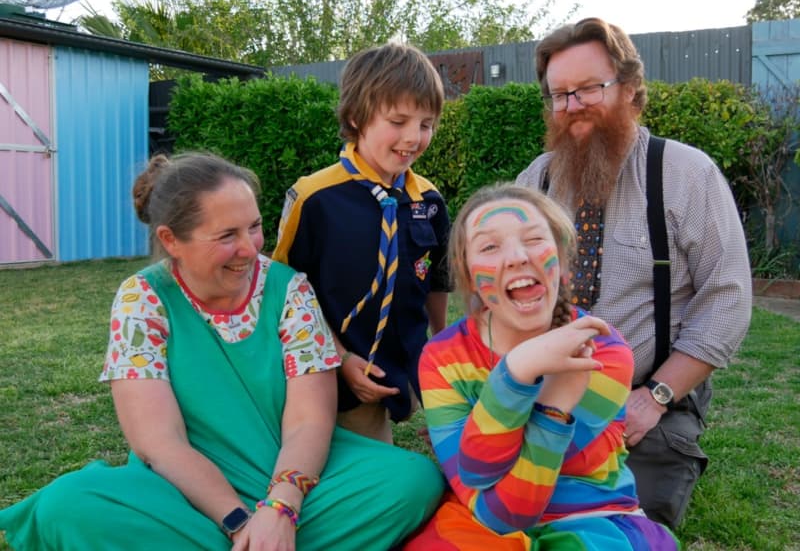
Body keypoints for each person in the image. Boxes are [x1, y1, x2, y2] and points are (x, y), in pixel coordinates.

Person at [0, 152, 444, 550]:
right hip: (185, 494)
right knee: (68, 505)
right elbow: (159, 444)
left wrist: (280, 509)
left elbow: (310, 420)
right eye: (227, 235)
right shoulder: (142, 299)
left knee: (410, 480)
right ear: (172, 240)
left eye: (254, 226)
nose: (250, 248)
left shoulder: (289, 289)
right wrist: (238, 522)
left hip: (295, 477)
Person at [516, 17, 752, 528]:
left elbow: (727, 297)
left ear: (630, 89)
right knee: (497, 501)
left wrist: (658, 396)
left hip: (646, 397)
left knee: (624, 519)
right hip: (546, 392)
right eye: (559, 95)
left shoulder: (687, 174)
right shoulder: (536, 179)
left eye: (588, 89)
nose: (572, 106)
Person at [404, 183, 679, 550]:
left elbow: (516, 503)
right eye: (489, 246)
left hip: (593, 521)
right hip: (479, 521)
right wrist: (517, 372)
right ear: (469, 276)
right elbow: (489, 502)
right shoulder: (443, 357)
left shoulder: (603, 351)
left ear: (563, 261)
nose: (517, 257)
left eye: (534, 239)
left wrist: (543, 404)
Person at [273, 42, 450, 444]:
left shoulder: (429, 200)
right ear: (357, 117)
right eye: (398, 120)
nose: (414, 137)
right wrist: (338, 359)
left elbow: (436, 281)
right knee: (372, 465)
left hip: (414, 362)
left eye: (426, 124)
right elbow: (288, 294)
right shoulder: (314, 198)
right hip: (344, 371)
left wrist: (442, 349)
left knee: (459, 459)